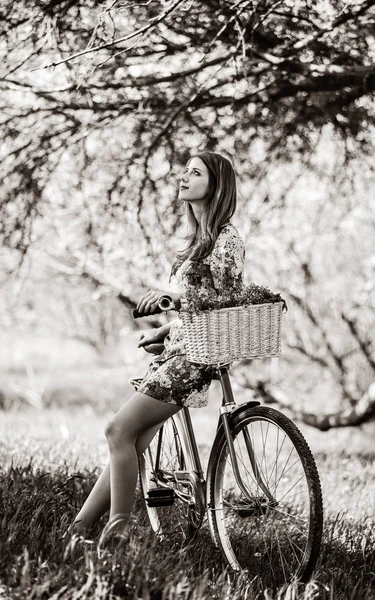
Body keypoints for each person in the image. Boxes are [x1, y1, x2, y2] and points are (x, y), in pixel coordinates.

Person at [65, 151, 246, 553]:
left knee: (117, 431)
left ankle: (119, 531)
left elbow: (228, 302)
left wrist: (173, 295)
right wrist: (166, 328)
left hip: (196, 360)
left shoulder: (227, 238)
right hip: (181, 350)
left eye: (194, 172)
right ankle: (78, 531)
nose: (183, 177)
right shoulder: (199, 239)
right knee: (128, 442)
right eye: (184, 171)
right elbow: (198, 307)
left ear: (216, 185)